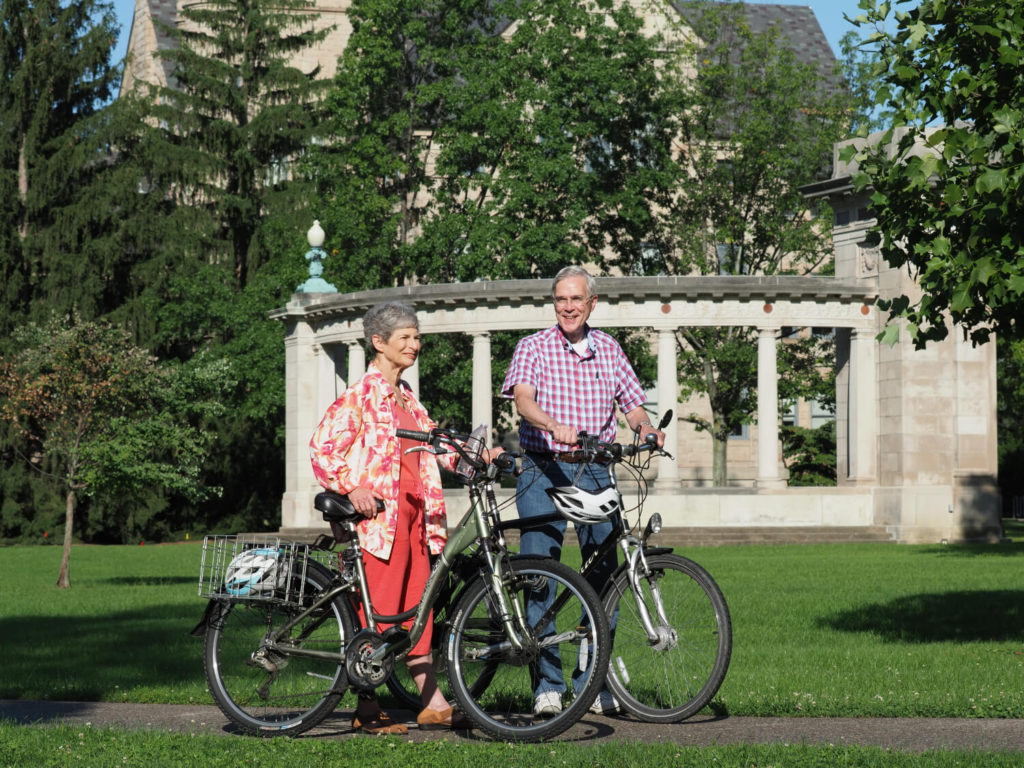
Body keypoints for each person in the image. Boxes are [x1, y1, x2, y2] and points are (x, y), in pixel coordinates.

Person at [310, 301, 496, 734]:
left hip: (417, 521)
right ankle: (366, 706)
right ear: (379, 342)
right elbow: (322, 447)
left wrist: (483, 455)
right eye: (406, 338)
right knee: (378, 614)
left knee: (418, 611)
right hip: (380, 523)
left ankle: (431, 703)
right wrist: (351, 488)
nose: (415, 345)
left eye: (417, 336)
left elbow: (436, 446)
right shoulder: (360, 396)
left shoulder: (408, 398)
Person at [501, 266, 665, 718]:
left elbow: (632, 405)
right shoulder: (533, 346)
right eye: (560, 300)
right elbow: (523, 399)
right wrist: (554, 426)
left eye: (576, 299)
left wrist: (646, 428)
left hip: (596, 472)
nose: (568, 307)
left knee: (605, 581)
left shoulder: (610, 348)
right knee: (539, 575)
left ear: (592, 303)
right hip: (543, 469)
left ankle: (593, 682)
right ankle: (547, 686)